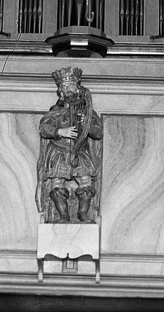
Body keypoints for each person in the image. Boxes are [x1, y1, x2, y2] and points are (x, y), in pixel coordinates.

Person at [37, 66, 103, 224]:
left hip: (80, 152)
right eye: (64, 87)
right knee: (57, 182)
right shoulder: (56, 112)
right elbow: (44, 128)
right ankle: (63, 215)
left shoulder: (87, 112)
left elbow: (98, 133)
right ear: (60, 91)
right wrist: (60, 131)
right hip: (59, 152)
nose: (67, 90)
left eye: (70, 86)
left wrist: (86, 123)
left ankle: (83, 213)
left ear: (78, 88)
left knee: (85, 180)